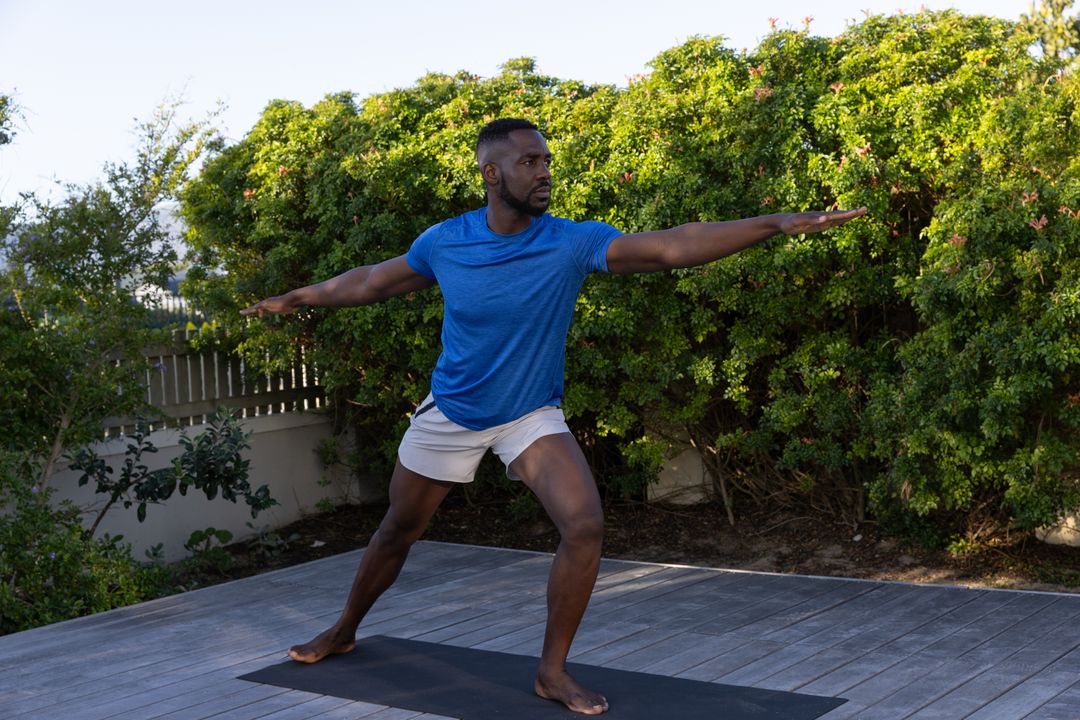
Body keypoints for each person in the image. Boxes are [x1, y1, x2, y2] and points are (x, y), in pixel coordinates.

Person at [242, 117, 866, 715]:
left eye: (546, 161)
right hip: (453, 409)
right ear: (491, 174)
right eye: (529, 162)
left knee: (584, 525)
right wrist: (299, 297)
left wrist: (774, 223)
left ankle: (551, 670)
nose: (543, 172)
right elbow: (373, 283)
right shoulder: (446, 242)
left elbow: (673, 246)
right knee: (398, 531)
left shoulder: (570, 242)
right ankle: (345, 628)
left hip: (528, 413)